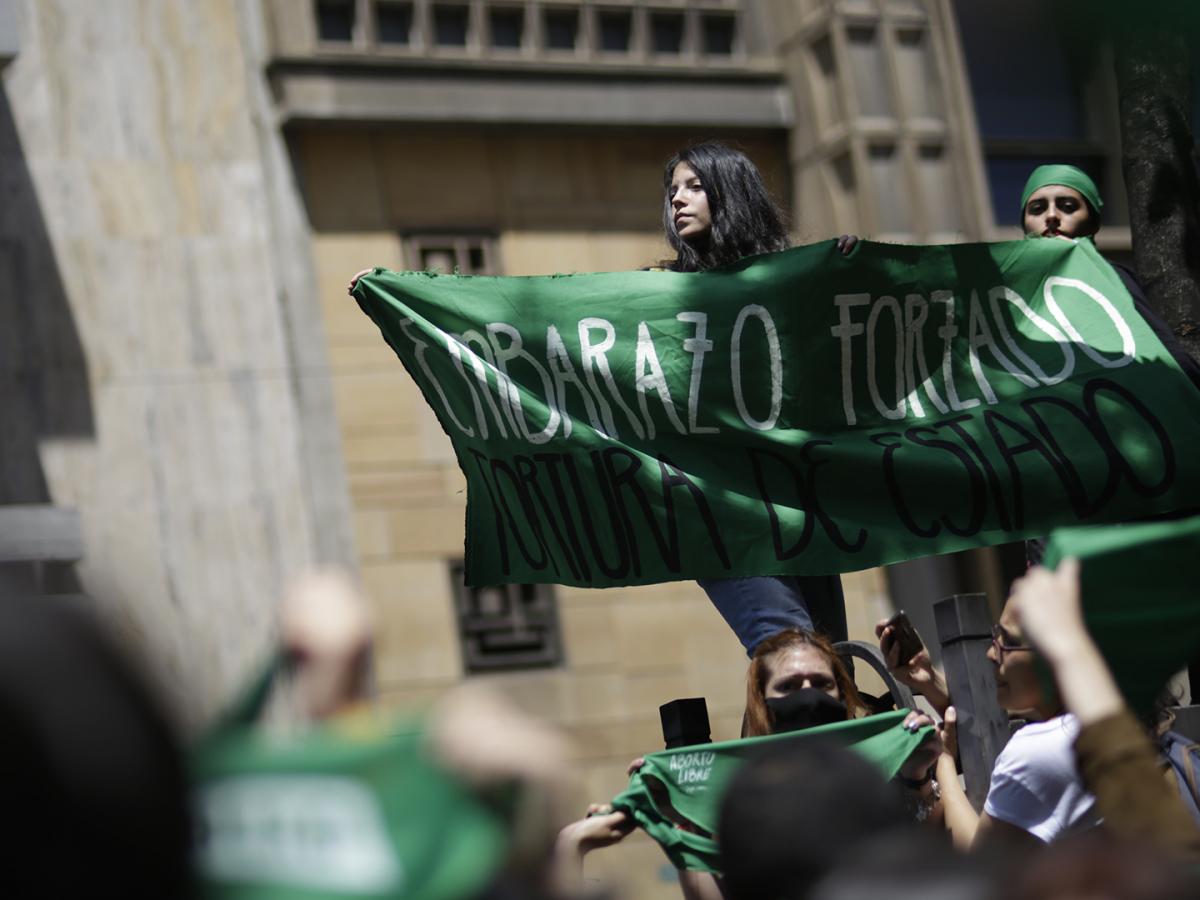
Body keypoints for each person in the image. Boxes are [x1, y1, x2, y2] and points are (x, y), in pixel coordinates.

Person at [661, 141, 858, 656]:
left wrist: (853, 275)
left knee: (831, 662)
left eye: (694, 186)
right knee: (792, 649)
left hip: (798, 504)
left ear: (731, 192)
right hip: (719, 511)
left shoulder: (797, 279)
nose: (677, 199)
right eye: (673, 189)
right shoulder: (655, 295)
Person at [878, 598, 1099, 850]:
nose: (991, 654)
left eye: (1010, 641)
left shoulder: (1035, 751)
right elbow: (985, 727)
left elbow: (980, 861)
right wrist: (931, 682)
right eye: (996, 636)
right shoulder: (1098, 721)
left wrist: (944, 761)